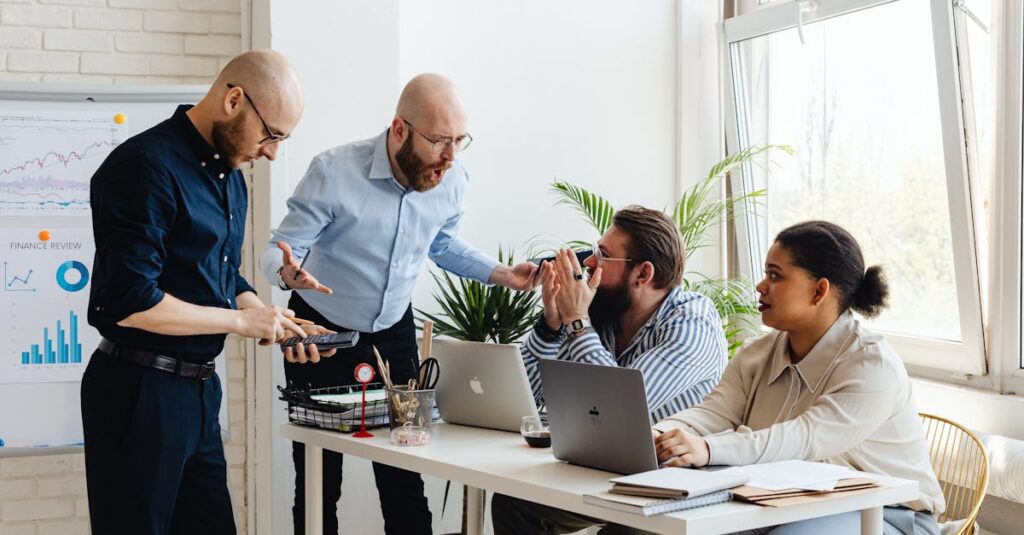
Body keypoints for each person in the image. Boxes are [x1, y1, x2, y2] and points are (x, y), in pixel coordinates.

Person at [259, 73, 538, 535]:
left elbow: (442, 244)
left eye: (459, 141)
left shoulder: (452, 179)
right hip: (321, 329)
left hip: (393, 332)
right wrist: (288, 272)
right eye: (440, 141)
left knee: (404, 472)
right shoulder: (333, 172)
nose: (449, 157)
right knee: (318, 477)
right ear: (399, 130)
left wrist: (501, 274)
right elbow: (279, 249)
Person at [82, 50, 329, 535]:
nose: (273, 152)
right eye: (271, 135)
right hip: (138, 390)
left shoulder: (230, 180)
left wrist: (272, 318)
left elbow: (221, 278)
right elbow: (131, 299)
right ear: (234, 99)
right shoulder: (142, 166)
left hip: (198, 391)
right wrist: (241, 322)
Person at [653, 220, 944, 534]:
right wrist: (655, 435)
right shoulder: (756, 354)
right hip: (784, 501)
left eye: (775, 275)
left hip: (886, 514)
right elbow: (711, 414)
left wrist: (708, 449)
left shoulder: (872, 366)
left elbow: (803, 438)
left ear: (819, 291)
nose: (760, 285)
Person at [490, 205, 727, 535]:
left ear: (642, 274)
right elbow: (525, 400)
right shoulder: (606, 313)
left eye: (603, 256)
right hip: (603, 470)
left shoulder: (692, 324)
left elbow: (617, 408)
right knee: (515, 503)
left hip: (675, 483)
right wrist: (551, 323)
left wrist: (576, 322)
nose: (589, 263)